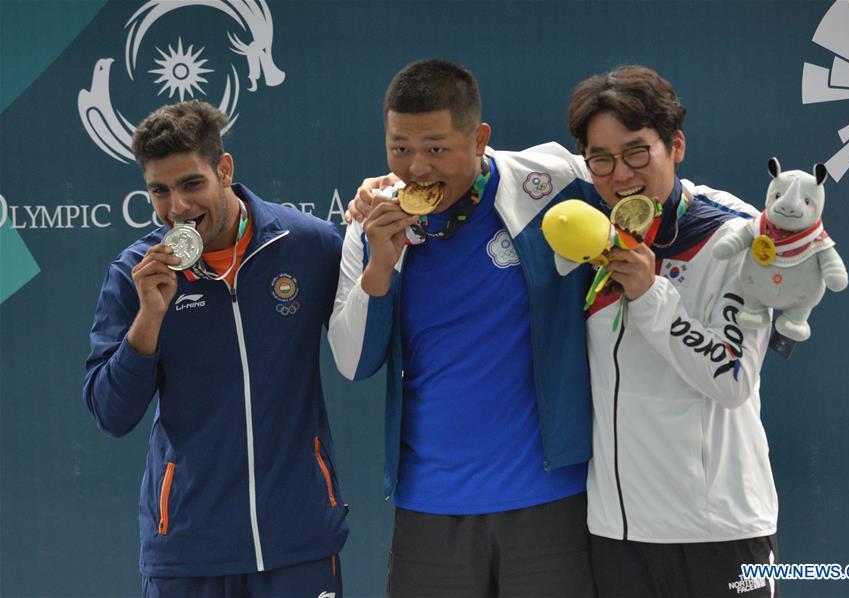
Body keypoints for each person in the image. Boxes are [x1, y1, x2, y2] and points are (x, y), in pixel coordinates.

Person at [328, 59, 597, 597]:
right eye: (399, 148)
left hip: (549, 501)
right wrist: (380, 264)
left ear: (479, 139)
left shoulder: (551, 185)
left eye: (436, 148)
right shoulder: (370, 225)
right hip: (430, 509)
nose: (416, 168)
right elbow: (351, 362)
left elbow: (649, 186)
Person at [83, 101, 348, 597]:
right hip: (188, 551)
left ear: (224, 170)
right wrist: (150, 318)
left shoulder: (308, 244)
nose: (176, 208)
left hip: (298, 541)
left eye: (190, 184)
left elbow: (366, 337)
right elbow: (111, 414)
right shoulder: (134, 274)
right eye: (159, 191)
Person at [567, 65, 779, 597]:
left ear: (676, 145)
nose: (620, 175)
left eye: (638, 152)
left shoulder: (735, 235)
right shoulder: (590, 232)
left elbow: (732, 379)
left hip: (719, 533)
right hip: (617, 535)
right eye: (602, 160)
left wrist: (651, 293)